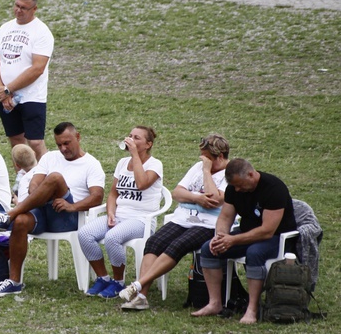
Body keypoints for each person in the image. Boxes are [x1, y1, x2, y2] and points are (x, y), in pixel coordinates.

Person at [0, 122, 105, 297]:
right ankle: (14, 282)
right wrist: (43, 194)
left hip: (68, 217)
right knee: (21, 221)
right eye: (59, 144)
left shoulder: (91, 164)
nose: (63, 149)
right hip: (42, 211)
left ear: (78, 137)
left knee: (55, 178)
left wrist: (72, 206)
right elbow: (34, 184)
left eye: (67, 143)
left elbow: (97, 197)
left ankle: (9, 215)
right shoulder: (50, 158)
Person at [118, 134, 230, 311]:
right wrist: (198, 198)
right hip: (182, 218)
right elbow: (177, 193)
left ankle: (138, 286)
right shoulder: (197, 167)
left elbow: (215, 199)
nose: (203, 161)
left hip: (208, 224)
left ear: (221, 156)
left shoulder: (229, 173)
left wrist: (207, 172)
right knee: (154, 242)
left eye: (207, 158)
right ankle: (141, 297)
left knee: (177, 246)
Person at [192, 159, 296, 324]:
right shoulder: (234, 189)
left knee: (254, 253)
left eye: (240, 185)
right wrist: (220, 236)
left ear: (250, 174)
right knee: (208, 249)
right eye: (235, 186)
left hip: (277, 237)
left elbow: (267, 231)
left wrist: (232, 240)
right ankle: (215, 303)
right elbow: (225, 217)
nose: (238, 189)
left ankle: (252, 309)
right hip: (246, 233)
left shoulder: (274, 189)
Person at [78, 126, 163, 299]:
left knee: (112, 238)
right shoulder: (122, 163)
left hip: (141, 219)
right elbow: (113, 193)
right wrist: (110, 212)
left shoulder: (155, 164)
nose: (130, 139)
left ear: (148, 144)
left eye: (136, 138)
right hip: (119, 215)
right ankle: (103, 278)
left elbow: (142, 184)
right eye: (130, 135)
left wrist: (135, 156)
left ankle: (118, 282)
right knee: (85, 234)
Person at [0, 0, 54, 162]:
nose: (18, 10)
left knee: (35, 142)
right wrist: (2, 92)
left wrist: (9, 89)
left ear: (34, 9)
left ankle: (48, 178)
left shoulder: (41, 32)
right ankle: (23, 184)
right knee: (17, 143)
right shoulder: (5, 28)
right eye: (16, 5)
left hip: (32, 97)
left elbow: (37, 69)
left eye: (24, 8)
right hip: (5, 96)